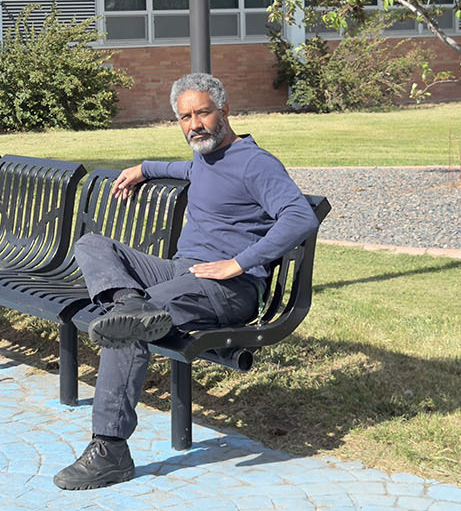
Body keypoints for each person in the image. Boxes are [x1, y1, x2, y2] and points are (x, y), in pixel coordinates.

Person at [52, 72, 318, 490]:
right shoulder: (204, 157)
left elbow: (300, 216)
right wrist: (144, 168)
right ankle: (130, 301)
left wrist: (238, 263)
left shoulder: (256, 163)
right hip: (183, 272)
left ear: (225, 111)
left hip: (229, 289)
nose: (194, 124)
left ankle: (110, 451)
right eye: (185, 117)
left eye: (203, 113)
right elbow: (186, 168)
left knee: (128, 328)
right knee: (93, 245)